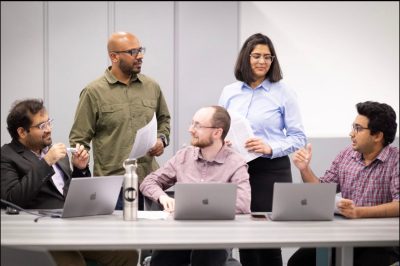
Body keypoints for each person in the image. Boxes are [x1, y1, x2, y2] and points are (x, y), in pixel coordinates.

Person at [1, 98, 139, 266]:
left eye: (49, 122)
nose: (49, 129)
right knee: (74, 263)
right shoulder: (7, 156)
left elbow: (70, 193)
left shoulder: (58, 153)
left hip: (74, 227)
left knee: (127, 254)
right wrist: (45, 163)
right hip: (41, 234)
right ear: (22, 132)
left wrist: (80, 169)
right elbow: (11, 199)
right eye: (41, 126)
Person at [218, 33, 307, 266]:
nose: (262, 61)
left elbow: (299, 137)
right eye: (256, 56)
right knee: (245, 235)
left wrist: (270, 147)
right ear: (245, 58)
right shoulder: (229, 92)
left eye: (268, 57)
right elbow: (219, 127)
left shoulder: (283, 92)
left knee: (267, 238)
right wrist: (222, 140)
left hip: (271, 170)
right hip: (237, 169)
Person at [288, 101, 399, 266]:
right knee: (298, 262)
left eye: (358, 129)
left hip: (381, 241)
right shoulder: (346, 155)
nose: (351, 134)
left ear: (377, 136)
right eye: (353, 127)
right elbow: (322, 191)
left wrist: (358, 213)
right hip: (344, 235)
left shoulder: (396, 160)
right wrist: (305, 169)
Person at [69, 31, 171, 210]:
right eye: (133, 52)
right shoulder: (93, 92)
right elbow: (79, 139)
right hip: (113, 187)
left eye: (140, 50)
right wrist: (80, 162)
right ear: (114, 57)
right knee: (117, 237)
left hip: (149, 183)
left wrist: (162, 139)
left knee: (153, 237)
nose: (140, 56)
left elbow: (164, 120)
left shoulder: (151, 87)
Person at [140, 106, 251, 266]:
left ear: (217, 132)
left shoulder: (236, 164)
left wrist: (196, 210)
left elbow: (242, 205)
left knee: (207, 250)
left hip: (215, 237)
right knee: (162, 257)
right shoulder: (183, 156)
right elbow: (149, 182)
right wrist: (162, 197)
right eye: (192, 124)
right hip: (179, 235)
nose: (190, 129)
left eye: (198, 125)